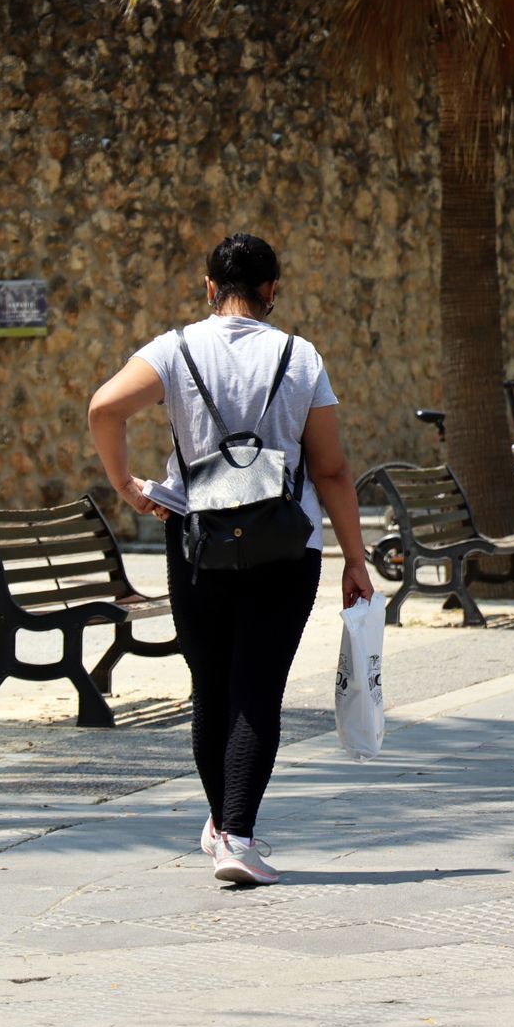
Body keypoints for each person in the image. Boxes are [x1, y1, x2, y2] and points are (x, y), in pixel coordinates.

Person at [89, 232, 374, 885]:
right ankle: (236, 837)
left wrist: (126, 485)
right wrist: (355, 559)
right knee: (258, 688)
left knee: (211, 687)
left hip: (197, 542)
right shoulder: (300, 357)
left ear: (210, 287)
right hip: (287, 545)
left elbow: (104, 407)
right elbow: (331, 469)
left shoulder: (174, 349)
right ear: (272, 290)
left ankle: (225, 827)